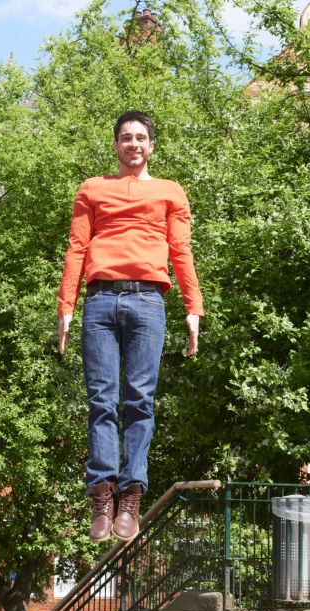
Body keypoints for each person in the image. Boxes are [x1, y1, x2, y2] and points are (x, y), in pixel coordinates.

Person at [57, 111, 203, 542]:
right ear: (116, 145)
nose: (133, 144)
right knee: (101, 401)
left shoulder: (170, 192)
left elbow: (181, 249)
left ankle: (131, 496)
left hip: (148, 301)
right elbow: (77, 247)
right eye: (126, 137)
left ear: (151, 145)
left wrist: (193, 308)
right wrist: (66, 305)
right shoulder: (92, 189)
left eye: (141, 137)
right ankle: (101, 496)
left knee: (140, 400)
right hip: (100, 300)